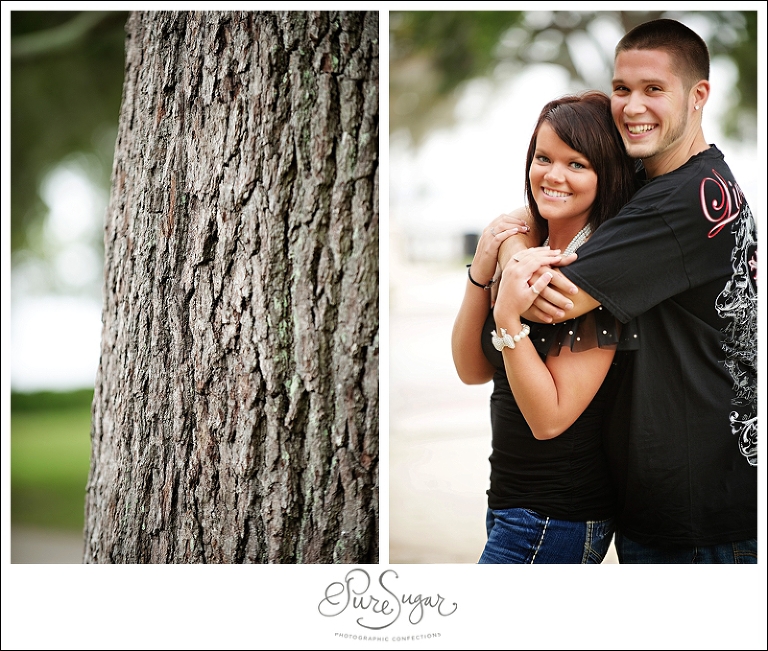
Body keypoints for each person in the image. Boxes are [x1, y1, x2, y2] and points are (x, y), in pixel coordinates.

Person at [495, 18, 757, 563]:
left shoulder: (678, 202)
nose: (632, 107)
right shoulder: (701, 185)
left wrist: (508, 250)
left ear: (698, 95)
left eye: (654, 90)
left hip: (692, 515)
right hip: (699, 496)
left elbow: (553, 301)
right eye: (622, 89)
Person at [452, 91, 638, 563]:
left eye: (577, 164)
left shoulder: (594, 277)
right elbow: (472, 370)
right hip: (509, 503)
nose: (552, 175)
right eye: (543, 158)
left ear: (607, 174)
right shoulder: (526, 245)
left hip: (558, 513)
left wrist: (509, 316)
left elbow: (549, 419)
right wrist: (482, 273)